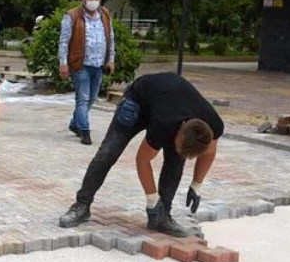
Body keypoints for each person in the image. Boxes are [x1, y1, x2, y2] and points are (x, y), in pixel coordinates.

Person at [58, 72, 223, 237]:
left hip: (167, 104)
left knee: (175, 161)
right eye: (178, 143)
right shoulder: (164, 123)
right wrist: (152, 200)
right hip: (138, 100)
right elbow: (142, 160)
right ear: (180, 130)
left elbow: (209, 153)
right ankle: (82, 205)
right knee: (108, 152)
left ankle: (162, 217)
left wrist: (197, 185)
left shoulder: (212, 123)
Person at [58, 0, 115, 146]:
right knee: (82, 99)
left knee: (91, 99)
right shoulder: (72, 16)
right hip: (80, 64)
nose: (93, 1)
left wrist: (111, 59)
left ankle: (75, 123)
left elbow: (111, 39)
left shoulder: (105, 14)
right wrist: (63, 63)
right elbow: (63, 42)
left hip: (98, 64)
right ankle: (84, 131)